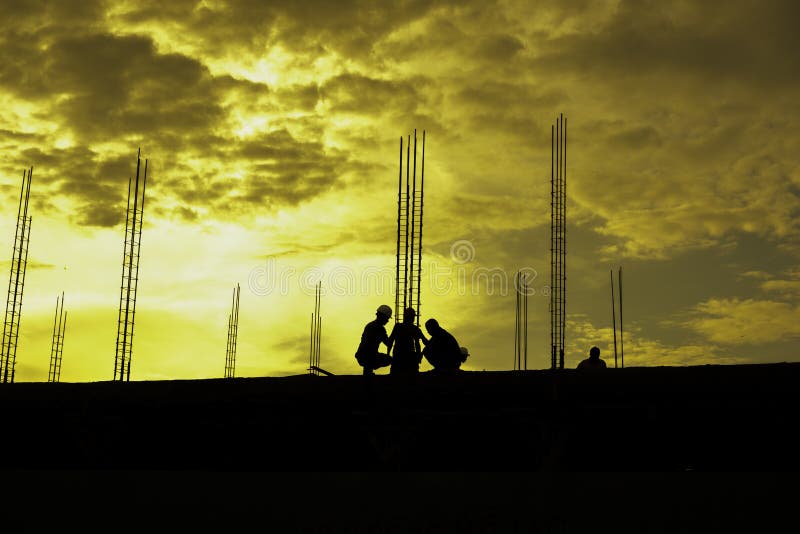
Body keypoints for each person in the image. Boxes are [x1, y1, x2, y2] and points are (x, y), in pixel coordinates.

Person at [355, 304, 393, 375]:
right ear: (382, 317)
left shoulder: (369, 325)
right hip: (368, 356)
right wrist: (394, 334)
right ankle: (368, 372)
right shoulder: (380, 329)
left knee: (371, 360)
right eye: (387, 318)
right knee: (389, 359)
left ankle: (368, 371)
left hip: (361, 355)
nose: (387, 321)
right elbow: (388, 343)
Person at [388, 307, 428, 375]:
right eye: (412, 316)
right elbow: (420, 343)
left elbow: (390, 341)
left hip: (398, 359)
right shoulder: (414, 329)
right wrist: (419, 356)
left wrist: (388, 354)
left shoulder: (397, 327)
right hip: (410, 359)